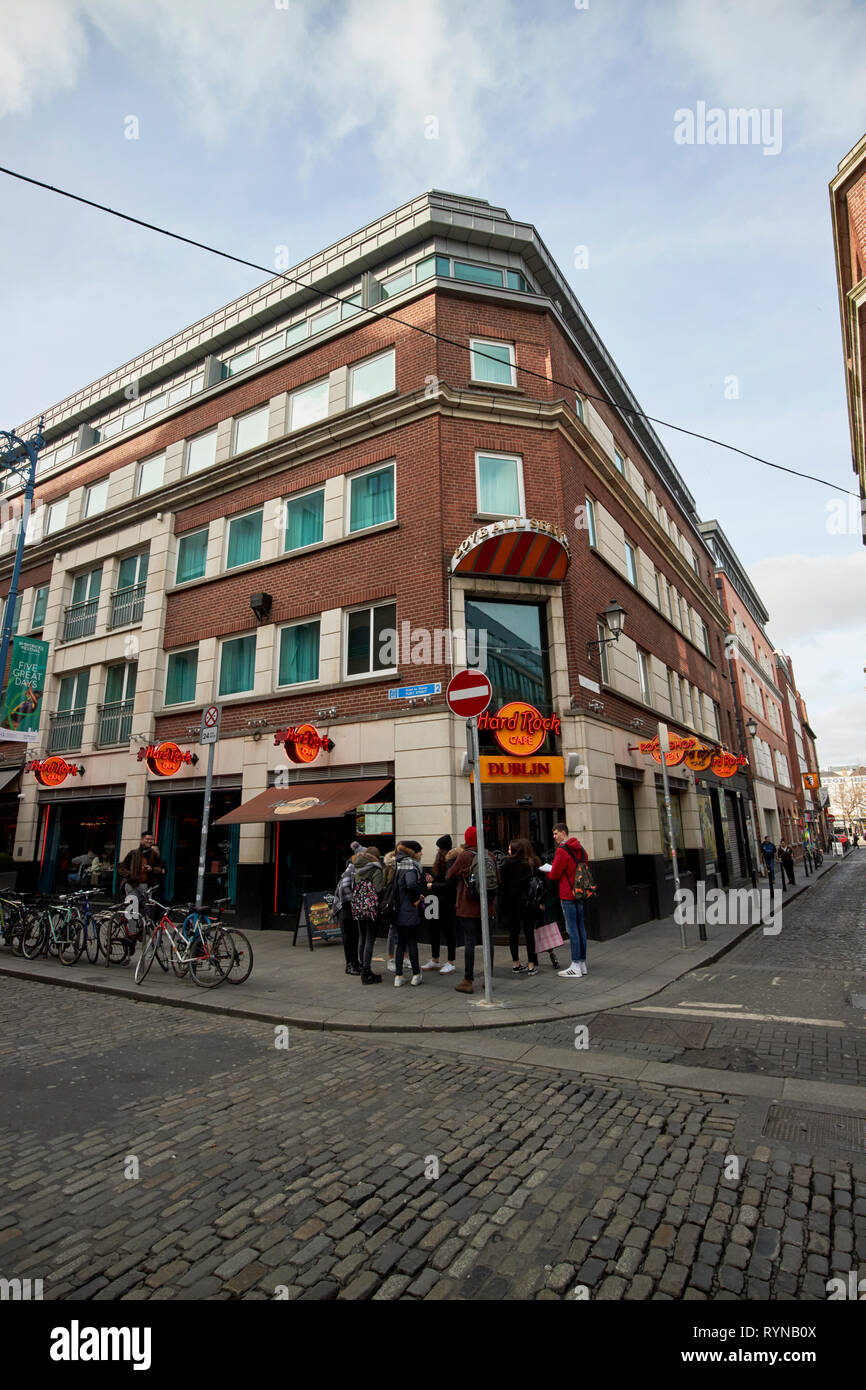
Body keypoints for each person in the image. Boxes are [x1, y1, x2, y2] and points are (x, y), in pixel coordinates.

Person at [447, 826, 497, 995]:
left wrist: (464, 871)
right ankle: (487, 979)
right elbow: (498, 878)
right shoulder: (489, 855)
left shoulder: (465, 855)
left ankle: (468, 980)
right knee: (488, 942)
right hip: (487, 906)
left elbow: (450, 875)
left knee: (469, 942)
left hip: (468, 906)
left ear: (467, 839)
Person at [546, 822, 589, 979]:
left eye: (556, 833)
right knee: (581, 928)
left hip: (567, 894)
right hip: (580, 893)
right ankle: (582, 963)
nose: (554, 836)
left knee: (572, 930)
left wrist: (549, 870)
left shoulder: (562, 851)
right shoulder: (581, 849)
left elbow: (555, 874)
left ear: (564, 832)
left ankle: (575, 965)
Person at [499, 838, 540, 976]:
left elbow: (502, 886)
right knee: (529, 934)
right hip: (527, 903)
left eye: (510, 848)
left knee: (513, 933)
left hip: (512, 903)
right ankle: (531, 965)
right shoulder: (530, 863)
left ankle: (515, 963)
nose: (508, 850)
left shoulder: (505, 863)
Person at [420, 834, 458, 974]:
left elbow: (449, 885)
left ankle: (451, 962)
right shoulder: (445, 861)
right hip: (435, 901)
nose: (436, 851)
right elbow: (442, 879)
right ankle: (435, 959)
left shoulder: (451, 862)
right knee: (434, 930)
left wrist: (432, 885)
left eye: (438, 848)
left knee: (448, 931)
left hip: (445, 901)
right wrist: (434, 879)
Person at [391, 841, 426, 987]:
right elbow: (411, 884)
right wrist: (416, 898)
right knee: (412, 942)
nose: (421, 854)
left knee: (401, 944)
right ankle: (416, 975)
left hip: (398, 910)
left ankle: (398, 976)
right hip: (409, 911)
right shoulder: (410, 866)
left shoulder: (397, 865)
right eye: (419, 851)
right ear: (413, 852)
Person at [351, 844, 384, 983]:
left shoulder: (358, 868)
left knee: (362, 936)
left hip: (358, 907)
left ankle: (361, 966)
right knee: (370, 938)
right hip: (370, 909)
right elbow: (378, 889)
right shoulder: (375, 869)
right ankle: (367, 971)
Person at [119, 831, 165, 922]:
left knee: (146, 909)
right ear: (142, 840)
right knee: (132, 908)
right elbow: (121, 867)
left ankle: (143, 931)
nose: (149, 841)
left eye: (151, 839)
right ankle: (132, 932)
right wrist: (130, 874)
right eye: (147, 839)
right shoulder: (133, 853)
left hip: (146, 885)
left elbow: (161, 869)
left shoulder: (154, 854)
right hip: (132, 884)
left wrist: (152, 869)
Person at [333, 846, 360, 975]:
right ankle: (349, 965)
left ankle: (355, 962)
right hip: (346, 908)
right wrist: (353, 900)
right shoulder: (352, 869)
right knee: (349, 937)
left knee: (354, 936)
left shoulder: (354, 869)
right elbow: (344, 889)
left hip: (351, 908)